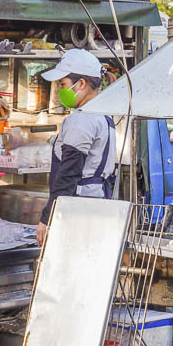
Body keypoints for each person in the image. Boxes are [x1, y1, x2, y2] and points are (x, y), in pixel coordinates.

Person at [35, 49, 117, 246]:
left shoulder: (82, 120)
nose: (60, 91)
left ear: (81, 83)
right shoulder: (101, 113)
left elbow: (68, 173)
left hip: (77, 209)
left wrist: (47, 219)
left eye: (63, 84)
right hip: (95, 203)